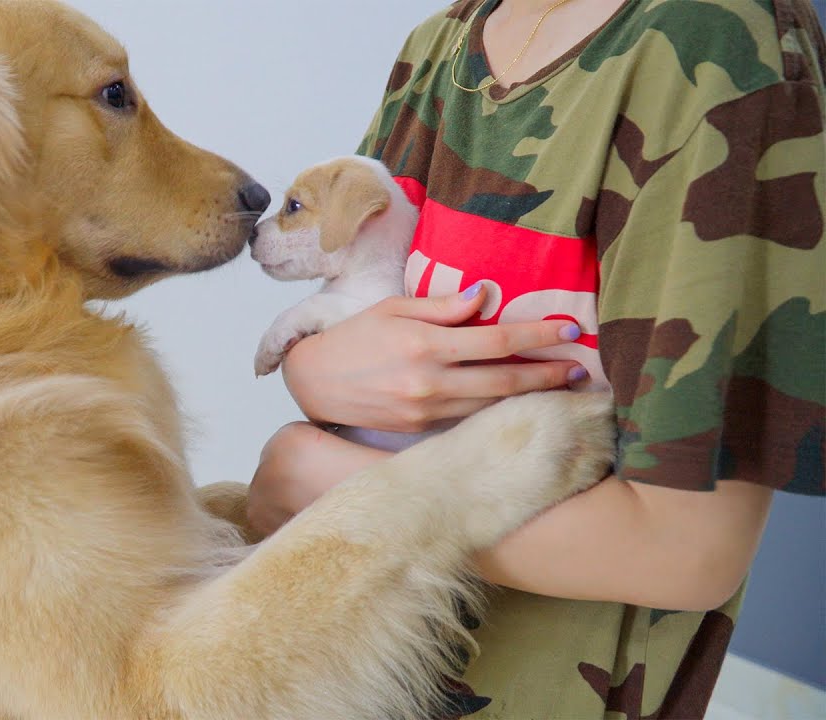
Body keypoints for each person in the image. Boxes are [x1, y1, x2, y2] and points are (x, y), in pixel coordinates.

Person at [246, 0, 826, 717]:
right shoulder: (441, 46)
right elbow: (363, 324)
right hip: (339, 668)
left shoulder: (723, 49)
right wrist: (312, 370)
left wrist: (325, 481)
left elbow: (688, 553)